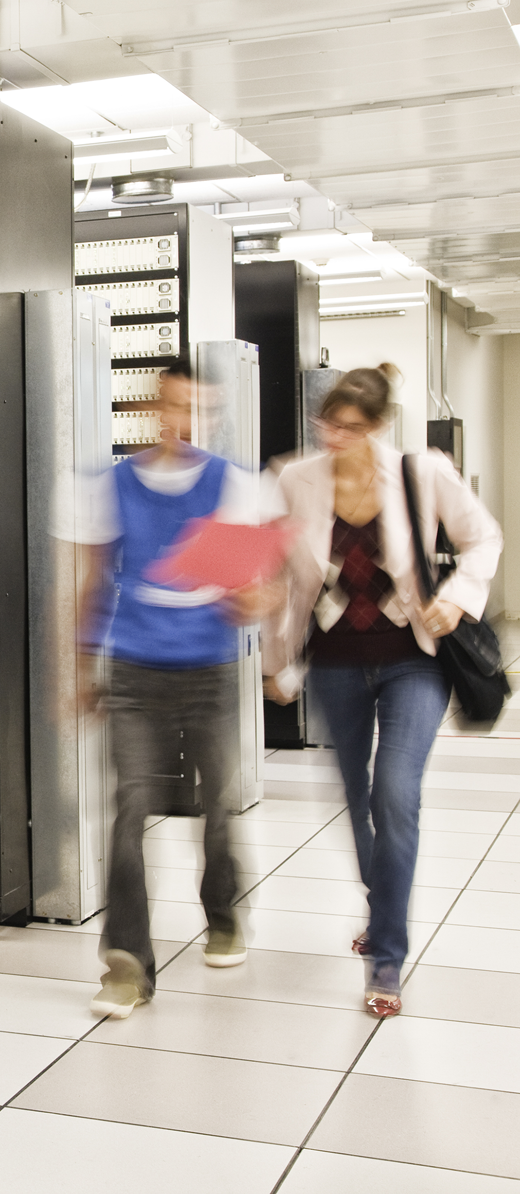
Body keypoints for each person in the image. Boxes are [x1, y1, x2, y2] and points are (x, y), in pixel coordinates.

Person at [264, 365, 501, 1018]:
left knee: (395, 794)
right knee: (357, 795)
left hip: (412, 660)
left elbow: (484, 536)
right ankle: (384, 902)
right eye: (328, 424)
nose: (335, 437)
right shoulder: (294, 479)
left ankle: (387, 955)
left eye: (351, 428)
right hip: (335, 663)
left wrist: (457, 598)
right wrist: (275, 662)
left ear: (378, 426)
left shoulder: (421, 473)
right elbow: (279, 576)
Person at [67, 357, 265, 1019]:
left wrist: (253, 600)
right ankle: (126, 964)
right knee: (129, 809)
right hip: (134, 672)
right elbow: (92, 582)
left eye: (198, 409)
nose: (185, 420)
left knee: (219, 805)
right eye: (175, 405)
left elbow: (253, 589)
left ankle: (223, 912)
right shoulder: (113, 485)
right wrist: (79, 667)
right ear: (153, 408)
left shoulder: (232, 484)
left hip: (209, 671)